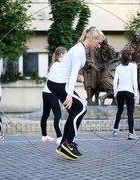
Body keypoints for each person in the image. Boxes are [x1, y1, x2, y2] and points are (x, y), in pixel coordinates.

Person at [47, 27, 105, 160]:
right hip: (58, 83)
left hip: (58, 82)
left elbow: (69, 68)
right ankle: (69, 143)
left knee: (75, 110)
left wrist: (78, 77)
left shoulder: (80, 48)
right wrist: (68, 94)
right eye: (99, 42)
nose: (99, 45)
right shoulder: (79, 50)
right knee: (81, 108)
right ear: (92, 39)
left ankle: (63, 144)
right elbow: (73, 71)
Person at [40, 46, 67, 145]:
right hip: (52, 93)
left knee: (45, 114)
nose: (66, 56)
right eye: (66, 54)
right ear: (61, 54)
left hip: (45, 93)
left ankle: (44, 136)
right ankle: (60, 137)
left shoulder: (53, 64)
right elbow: (64, 78)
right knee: (58, 115)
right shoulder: (58, 65)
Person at [112, 49, 138, 140]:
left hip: (120, 92)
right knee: (130, 113)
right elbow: (134, 80)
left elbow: (115, 81)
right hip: (129, 92)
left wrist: (115, 93)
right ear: (130, 57)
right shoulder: (133, 66)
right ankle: (131, 133)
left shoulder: (118, 67)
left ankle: (115, 129)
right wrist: (136, 93)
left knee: (119, 110)